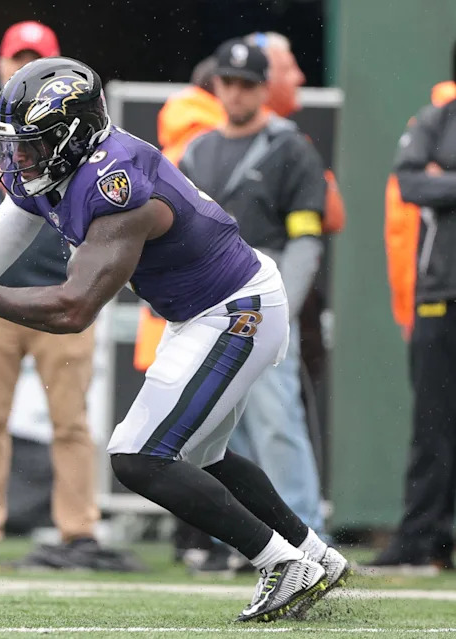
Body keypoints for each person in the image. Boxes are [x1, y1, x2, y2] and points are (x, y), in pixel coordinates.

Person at [0, 55, 349, 622]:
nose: (19, 158)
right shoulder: (54, 169)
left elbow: (74, 309)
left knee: (138, 456)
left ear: (72, 137)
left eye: (32, 144)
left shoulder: (116, 184)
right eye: (14, 144)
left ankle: (280, 562)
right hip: (204, 311)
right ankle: (312, 553)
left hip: (235, 310)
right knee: (200, 455)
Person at [0, 20, 132, 571]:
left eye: (33, 57)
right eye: (15, 56)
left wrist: (82, 273)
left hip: (62, 297)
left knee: (71, 421)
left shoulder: (77, 137)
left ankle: (77, 529)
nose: (19, 66)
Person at [178, 40, 328, 574]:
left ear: (265, 90)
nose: (236, 92)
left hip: (262, 307)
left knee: (277, 424)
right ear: (216, 85)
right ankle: (252, 545)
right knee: (220, 436)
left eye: (247, 84)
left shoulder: (292, 148)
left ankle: (307, 536)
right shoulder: (197, 151)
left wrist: (279, 306)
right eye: (228, 82)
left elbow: (308, 237)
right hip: (210, 311)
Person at [369, 45, 456, 571]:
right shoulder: (437, 118)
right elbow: (409, 181)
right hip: (440, 294)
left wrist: (442, 181)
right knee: (432, 422)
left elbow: (431, 181)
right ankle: (423, 539)